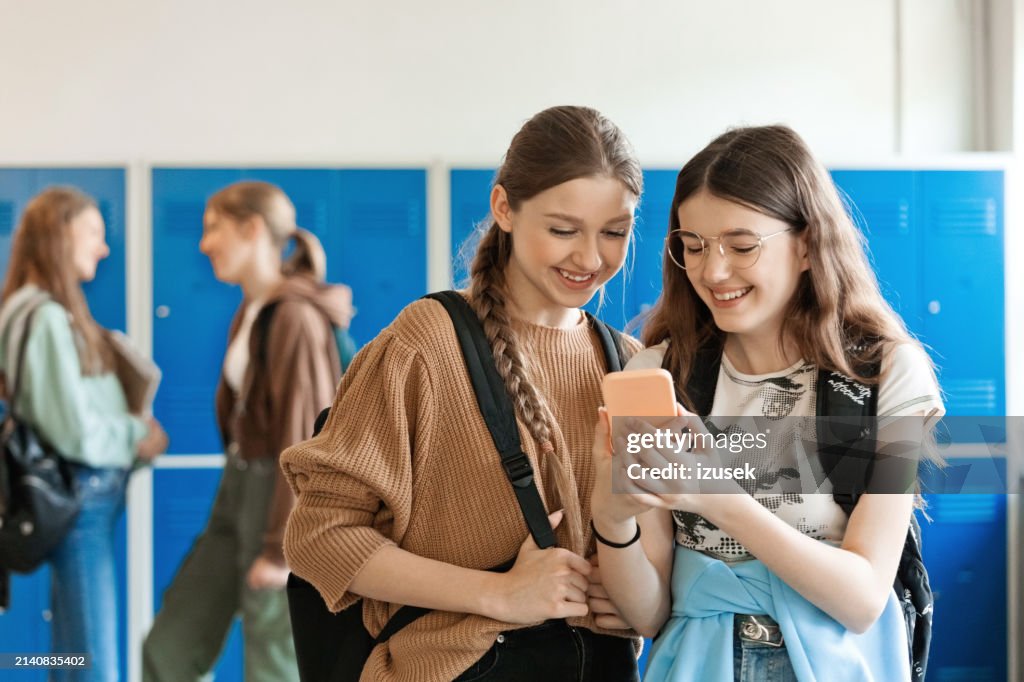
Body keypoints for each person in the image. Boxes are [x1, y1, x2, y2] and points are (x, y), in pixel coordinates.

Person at [281, 105, 645, 682]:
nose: (590, 258)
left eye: (614, 232)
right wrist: (500, 594)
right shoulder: (425, 346)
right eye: (562, 229)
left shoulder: (628, 362)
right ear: (504, 208)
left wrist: (625, 594)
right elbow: (321, 536)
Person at [590, 125, 945, 681]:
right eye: (694, 245)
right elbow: (650, 613)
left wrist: (720, 499)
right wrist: (612, 519)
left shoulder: (888, 377)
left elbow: (861, 598)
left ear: (806, 243)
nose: (713, 271)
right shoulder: (659, 374)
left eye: (741, 244)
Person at [143, 181, 353, 682]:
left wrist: (282, 549)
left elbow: (303, 442)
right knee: (168, 649)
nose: (203, 244)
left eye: (213, 228)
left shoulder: (295, 317)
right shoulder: (254, 309)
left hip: (279, 498)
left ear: (252, 229)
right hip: (237, 488)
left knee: (272, 658)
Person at [0, 186, 168, 681]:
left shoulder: (22, 307)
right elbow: (74, 431)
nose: (104, 246)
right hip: (82, 497)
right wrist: (138, 434)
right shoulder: (47, 316)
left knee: (71, 654)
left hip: (66, 494)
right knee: (95, 659)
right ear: (59, 233)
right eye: (94, 232)